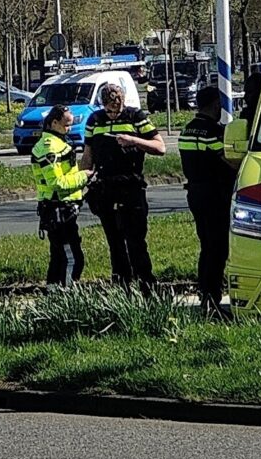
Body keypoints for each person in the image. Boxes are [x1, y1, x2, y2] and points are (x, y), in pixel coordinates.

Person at [84, 80, 164, 292]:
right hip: (106, 188)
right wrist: (84, 179)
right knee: (114, 241)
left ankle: (146, 285)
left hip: (131, 186)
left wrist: (134, 141)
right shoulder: (95, 120)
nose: (113, 113)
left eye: (116, 108)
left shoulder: (136, 117)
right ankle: (122, 286)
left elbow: (160, 146)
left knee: (136, 240)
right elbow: (87, 154)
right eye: (109, 110)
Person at [176, 84, 238, 312]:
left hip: (195, 193)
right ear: (215, 105)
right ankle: (212, 295)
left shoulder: (187, 129)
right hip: (216, 194)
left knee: (206, 245)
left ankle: (206, 293)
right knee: (218, 247)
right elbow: (229, 161)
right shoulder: (213, 132)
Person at [29, 105, 89, 287]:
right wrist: (84, 176)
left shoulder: (58, 143)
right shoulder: (49, 147)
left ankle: (53, 296)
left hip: (61, 207)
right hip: (58, 209)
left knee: (58, 257)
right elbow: (57, 183)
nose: (69, 128)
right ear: (54, 123)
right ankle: (67, 298)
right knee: (72, 258)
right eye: (66, 124)